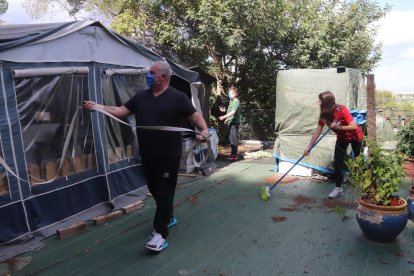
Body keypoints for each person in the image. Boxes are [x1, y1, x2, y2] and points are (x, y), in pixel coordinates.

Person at [83, 61, 209, 252]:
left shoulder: (178, 98)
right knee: (155, 190)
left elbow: (195, 117)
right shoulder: (141, 98)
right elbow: (120, 112)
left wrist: (204, 130)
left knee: (165, 192)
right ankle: (168, 216)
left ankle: (160, 234)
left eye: (152, 73)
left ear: (163, 77)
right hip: (148, 155)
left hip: (169, 156)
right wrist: (98, 107)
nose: (148, 76)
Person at [304, 91, 363, 199]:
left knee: (359, 161)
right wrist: (309, 147)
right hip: (342, 138)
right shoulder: (324, 115)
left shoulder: (342, 109)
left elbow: (353, 126)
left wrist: (339, 127)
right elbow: (317, 132)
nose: (319, 103)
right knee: (337, 162)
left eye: (320, 101)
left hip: (356, 137)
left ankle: (363, 187)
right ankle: (338, 189)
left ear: (326, 102)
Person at [218, 87, 241, 161]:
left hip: (234, 124)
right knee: (231, 139)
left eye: (230, 93)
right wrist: (227, 120)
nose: (228, 95)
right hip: (231, 122)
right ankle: (233, 155)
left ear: (234, 94)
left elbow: (233, 112)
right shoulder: (232, 101)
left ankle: (234, 155)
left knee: (233, 139)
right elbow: (230, 112)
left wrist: (224, 117)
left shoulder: (236, 101)